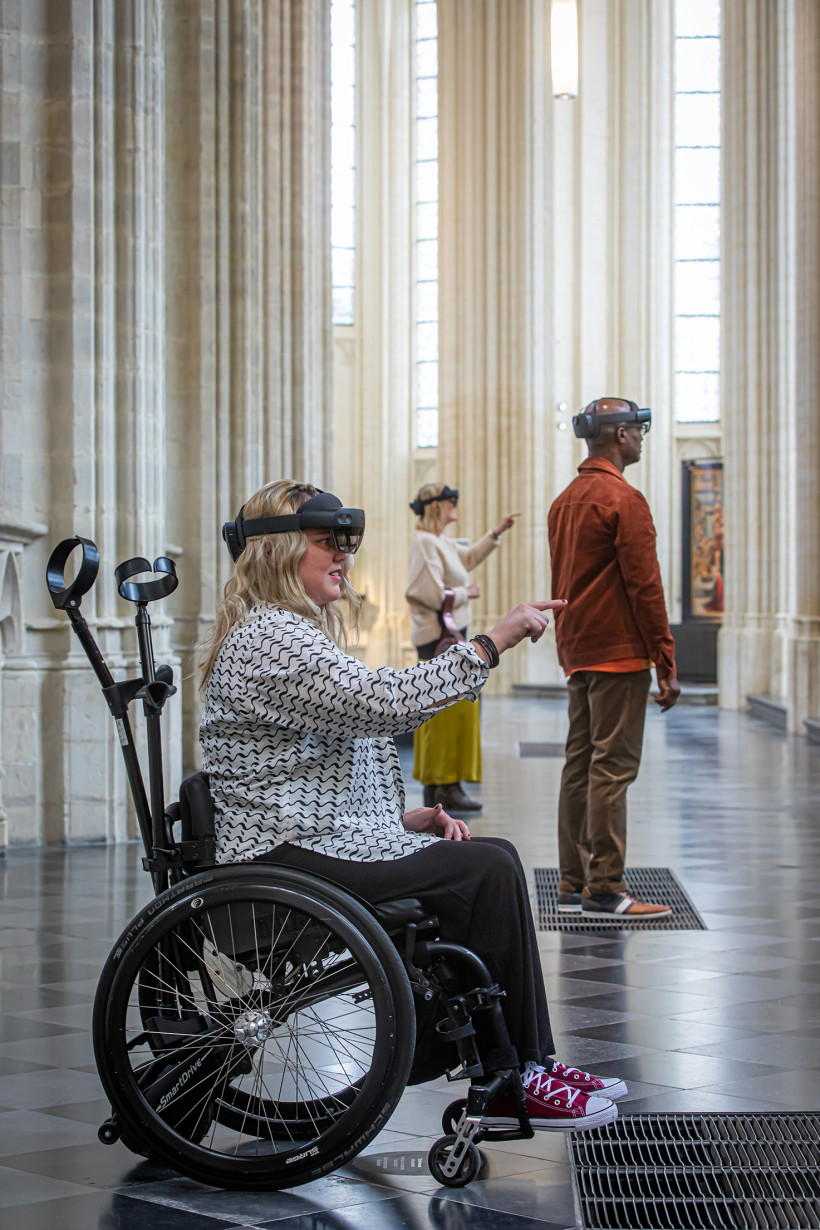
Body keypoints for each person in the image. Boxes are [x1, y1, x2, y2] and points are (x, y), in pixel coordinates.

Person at [199, 478, 627, 1131]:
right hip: (284, 858)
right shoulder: (271, 638)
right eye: (327, 542)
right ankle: (511, 1075)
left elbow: (307, 765)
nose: (343, 555)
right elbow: (381, 705)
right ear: (279, 550)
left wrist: (398, 821)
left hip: (305, 840)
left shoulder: (282, 631)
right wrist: (491, 642)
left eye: (347, 541)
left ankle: (525, 1065)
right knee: (486, 869)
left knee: (492, 857)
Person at [548, 398, 681, 919]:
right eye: (638, 431)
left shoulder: (565, 500)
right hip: (620, 652)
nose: (642, 439)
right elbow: (646, 587)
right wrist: (665, 662)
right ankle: (604, 889)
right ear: (620, 435)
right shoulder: (623, 499)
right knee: (613, 769)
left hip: (578, 649)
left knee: (579, 764)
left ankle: (570, 881)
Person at [406, 483, 518, 814]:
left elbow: (466, 559)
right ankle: (440, 787)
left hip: (453, 634)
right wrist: (466, 593)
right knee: (443, 715)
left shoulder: (441, 541)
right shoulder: (423, 542)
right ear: (434, 506)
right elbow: (424, 592)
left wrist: (496, 532)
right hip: (439, 638)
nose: (456, 504)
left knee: (457, 712)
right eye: (449, 500)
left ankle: (451, 784)